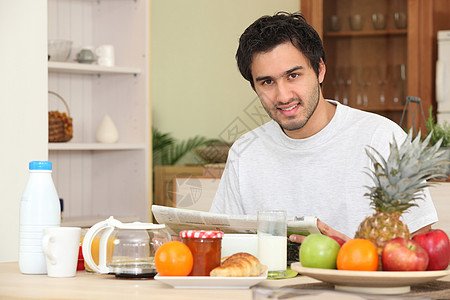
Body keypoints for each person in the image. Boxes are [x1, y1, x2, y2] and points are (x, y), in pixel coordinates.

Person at [209, 12, 437, 243]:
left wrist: (352, 254)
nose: (283, 95)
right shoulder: (245, 152)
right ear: (254, 87)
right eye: (267, 82)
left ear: (320, 70)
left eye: (293, 75)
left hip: (356, 278)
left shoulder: (382, 138)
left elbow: (419, 247)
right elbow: (222, 244)